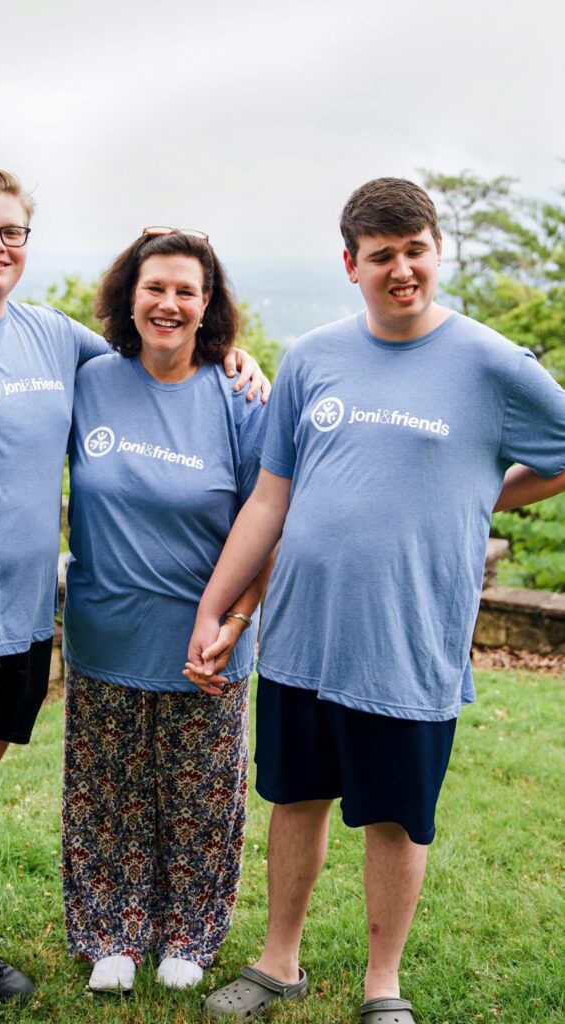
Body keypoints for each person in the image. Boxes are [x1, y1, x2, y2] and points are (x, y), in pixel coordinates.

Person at [0, 173, 266, 1024]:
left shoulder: (53, 340)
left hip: (23, 621)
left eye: (13, 231)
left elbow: (158, 363)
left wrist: (233, 358)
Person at [186, 178, 565, 1024]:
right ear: (351, 263)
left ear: (439, 251)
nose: (402, 270)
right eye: (382, 255)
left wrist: (483, 494)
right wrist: (215, 610)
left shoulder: (494, 364)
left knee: (395, 817)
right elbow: (269, 500)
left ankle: (380, 984)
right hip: (301, 639)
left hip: (410, 640)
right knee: (295, 800)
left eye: (415, 250)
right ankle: (277, 962)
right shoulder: (315, 357)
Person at [61, 228, 273, 994]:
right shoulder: (89, 380)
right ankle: (110, 934)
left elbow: (270, 521)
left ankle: (189, 934)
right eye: (156, 287)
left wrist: (236, 621)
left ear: (208, 303)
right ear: (130, 295)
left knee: (202, 798)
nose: (169, 303)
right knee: (105, 791)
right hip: (104, 632)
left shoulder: (243, 397)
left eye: (187, 290)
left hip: (210, 642)